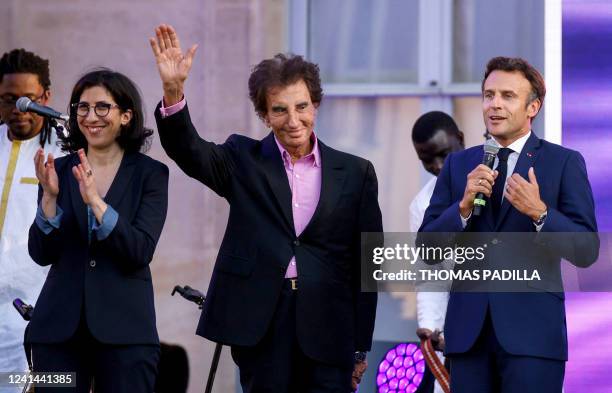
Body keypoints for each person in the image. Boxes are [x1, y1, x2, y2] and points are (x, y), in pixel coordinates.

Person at [150, 24, 382, 392]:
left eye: (302, 107)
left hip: (329, 326)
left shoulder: (355, 173)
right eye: (280, 110)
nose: (293, 121)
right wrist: (173, 91)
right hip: (262, 323)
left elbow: (369, 264)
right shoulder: (243, 159)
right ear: (264, 115)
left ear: (316, 105)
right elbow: (189, 150)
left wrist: (360, 346)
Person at [419, 57, 598, 393]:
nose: (495, 104)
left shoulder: (563, 163)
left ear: (533, 106)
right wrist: (462, 207)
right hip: (468, 340)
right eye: (488, 95)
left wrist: (541, 213)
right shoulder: (460, 165)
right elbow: (427, 249)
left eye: (507, 96)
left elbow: (587, 250)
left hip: (533, 339)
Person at [27, 69, 169, 392]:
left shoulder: (151, 175)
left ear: (126, 116)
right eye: (83, 107)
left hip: (126, 333)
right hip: (57, 332)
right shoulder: (59, 170)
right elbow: (40, 253)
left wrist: (96, 202)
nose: (91, 116)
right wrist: (49, 199)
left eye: (102, 107)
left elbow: (139, 250)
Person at [0, 48, 65, 377]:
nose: (18, 110)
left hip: (35, 312)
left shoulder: (63, 154)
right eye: (8, 99)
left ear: (46, 96)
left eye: (28, 99)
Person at [409, 111, 464, 393]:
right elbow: (430, 277)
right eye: (427, 160)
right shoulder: (422, 205)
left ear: (461, 140)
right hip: (458, 333)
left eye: (444, 153)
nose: (438, 166)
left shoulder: (498, 179)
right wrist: (430, 330)